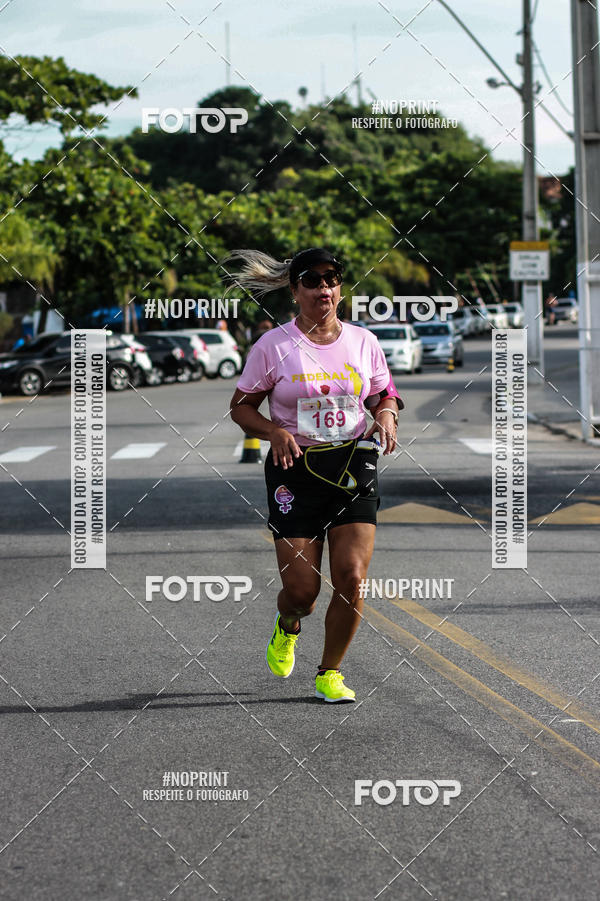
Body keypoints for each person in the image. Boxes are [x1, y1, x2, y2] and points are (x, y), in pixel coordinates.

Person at [228, 247, 403, 703]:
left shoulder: (363, 341)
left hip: (353, 466)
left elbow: (384, 393)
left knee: (351, 576)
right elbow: (241, 407)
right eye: (312, 280)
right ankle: (288, 625)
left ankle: (330, 672)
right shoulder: (273, 346)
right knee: (302, 592)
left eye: (332, 279)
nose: (323, 288)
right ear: (295, 290)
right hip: (296, 469)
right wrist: (273, 431)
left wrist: (386, 414)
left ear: (340, 288)